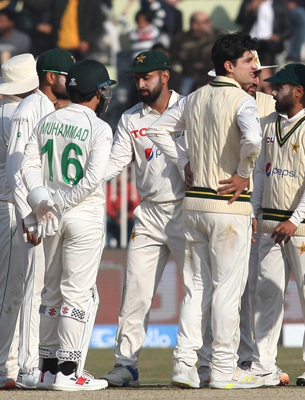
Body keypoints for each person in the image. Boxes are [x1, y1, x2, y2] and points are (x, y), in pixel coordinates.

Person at [147, 31, 265, 390]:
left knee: (195, 289)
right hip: (228, 205)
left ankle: (185, 364)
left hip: (195, 203)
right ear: (229, 66)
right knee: (227, 290)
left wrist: (184, 160)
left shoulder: (194, 97)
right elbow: (254, 140)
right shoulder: (243, 101)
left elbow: (157, 130)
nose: (255, 67)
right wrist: (244, 174)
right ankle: (223, 369)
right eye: (249, 61)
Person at [22, 59, 115, 391]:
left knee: (50, 292)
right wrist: (58, 202)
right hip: (84, 216)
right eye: (104, 90)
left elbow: (28, 164)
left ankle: (46, 370)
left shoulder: (47, 121)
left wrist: (42, 201)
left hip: (50, 218)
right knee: (78, 295)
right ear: (97, 93)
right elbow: (92, 179)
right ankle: (68, 371)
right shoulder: (100, 128)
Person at [98, 50, 185, 387]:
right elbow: (114, 163)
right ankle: (126, 364)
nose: (140, 83)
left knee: (197, 288)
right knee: (135, 290)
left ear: (165, 76)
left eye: (146, 76)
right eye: (136, 77)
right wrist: (81, 183)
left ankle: (199, 360)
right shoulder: (132, 119)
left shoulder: (188, 108)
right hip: (149, 214)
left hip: (185, 210)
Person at [247, 63, 305, 387]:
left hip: (303, 225)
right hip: (270, 222)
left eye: (279, 87)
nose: (272, 91)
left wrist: (294, 220)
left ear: (298, 92)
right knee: (267, 293)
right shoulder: (268, 123)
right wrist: (257, 212)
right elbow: (259, 170)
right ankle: (264, 364)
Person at [197, 50, 279, 386]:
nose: (256, 78)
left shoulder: (272, 107)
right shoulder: (221, 99)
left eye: (260, 73)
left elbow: (273, 162)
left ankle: (253, 359)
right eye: (252, 70)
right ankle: (225, 360)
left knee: (249, 289)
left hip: (256, 206)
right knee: (233, 289)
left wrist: (258, 205)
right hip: (230, 203)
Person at [4, 48, 74, 389]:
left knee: (45, 291)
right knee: (33, 290)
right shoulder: (29, 109)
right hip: (33, 215)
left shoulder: (50, 108)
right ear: (50, 78)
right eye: (66, 76)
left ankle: (39, 363)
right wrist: (30, 218)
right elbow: (17, 169)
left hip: (45, 211)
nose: (71, 82)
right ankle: (28, 367)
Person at [0, 54, 40, 390]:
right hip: (5, 205)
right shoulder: (15, 114)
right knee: (8, 288)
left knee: (18, 287)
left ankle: (10, 365)